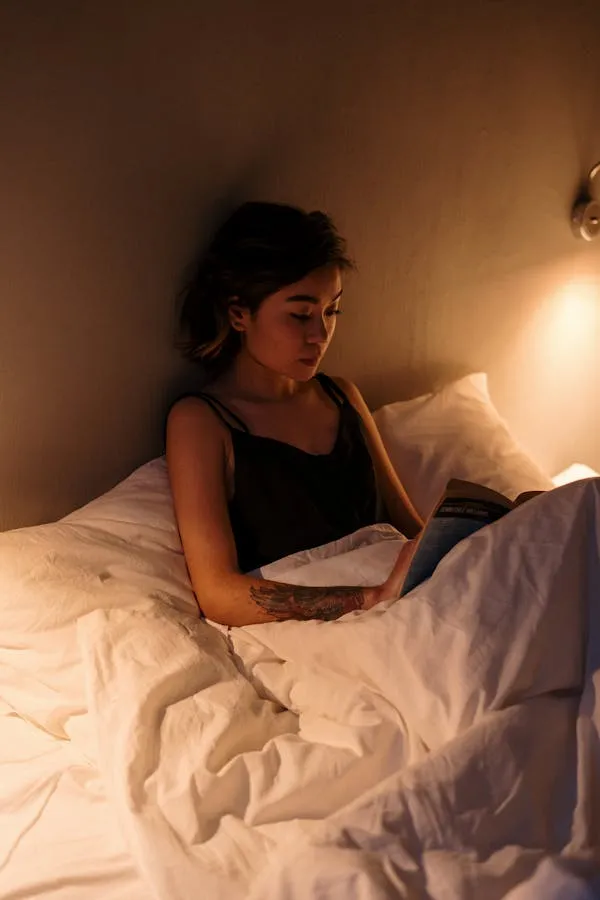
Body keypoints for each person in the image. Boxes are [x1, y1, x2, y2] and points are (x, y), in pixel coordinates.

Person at [166, 201, 423, 626]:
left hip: (403, 599)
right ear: (239, 314)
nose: (320, 335)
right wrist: (371, 598)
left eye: (331, 311)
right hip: (326, 626)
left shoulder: (340, 395)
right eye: (300, 315)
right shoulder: (201, 422)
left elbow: (410, 529)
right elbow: (217, 592)